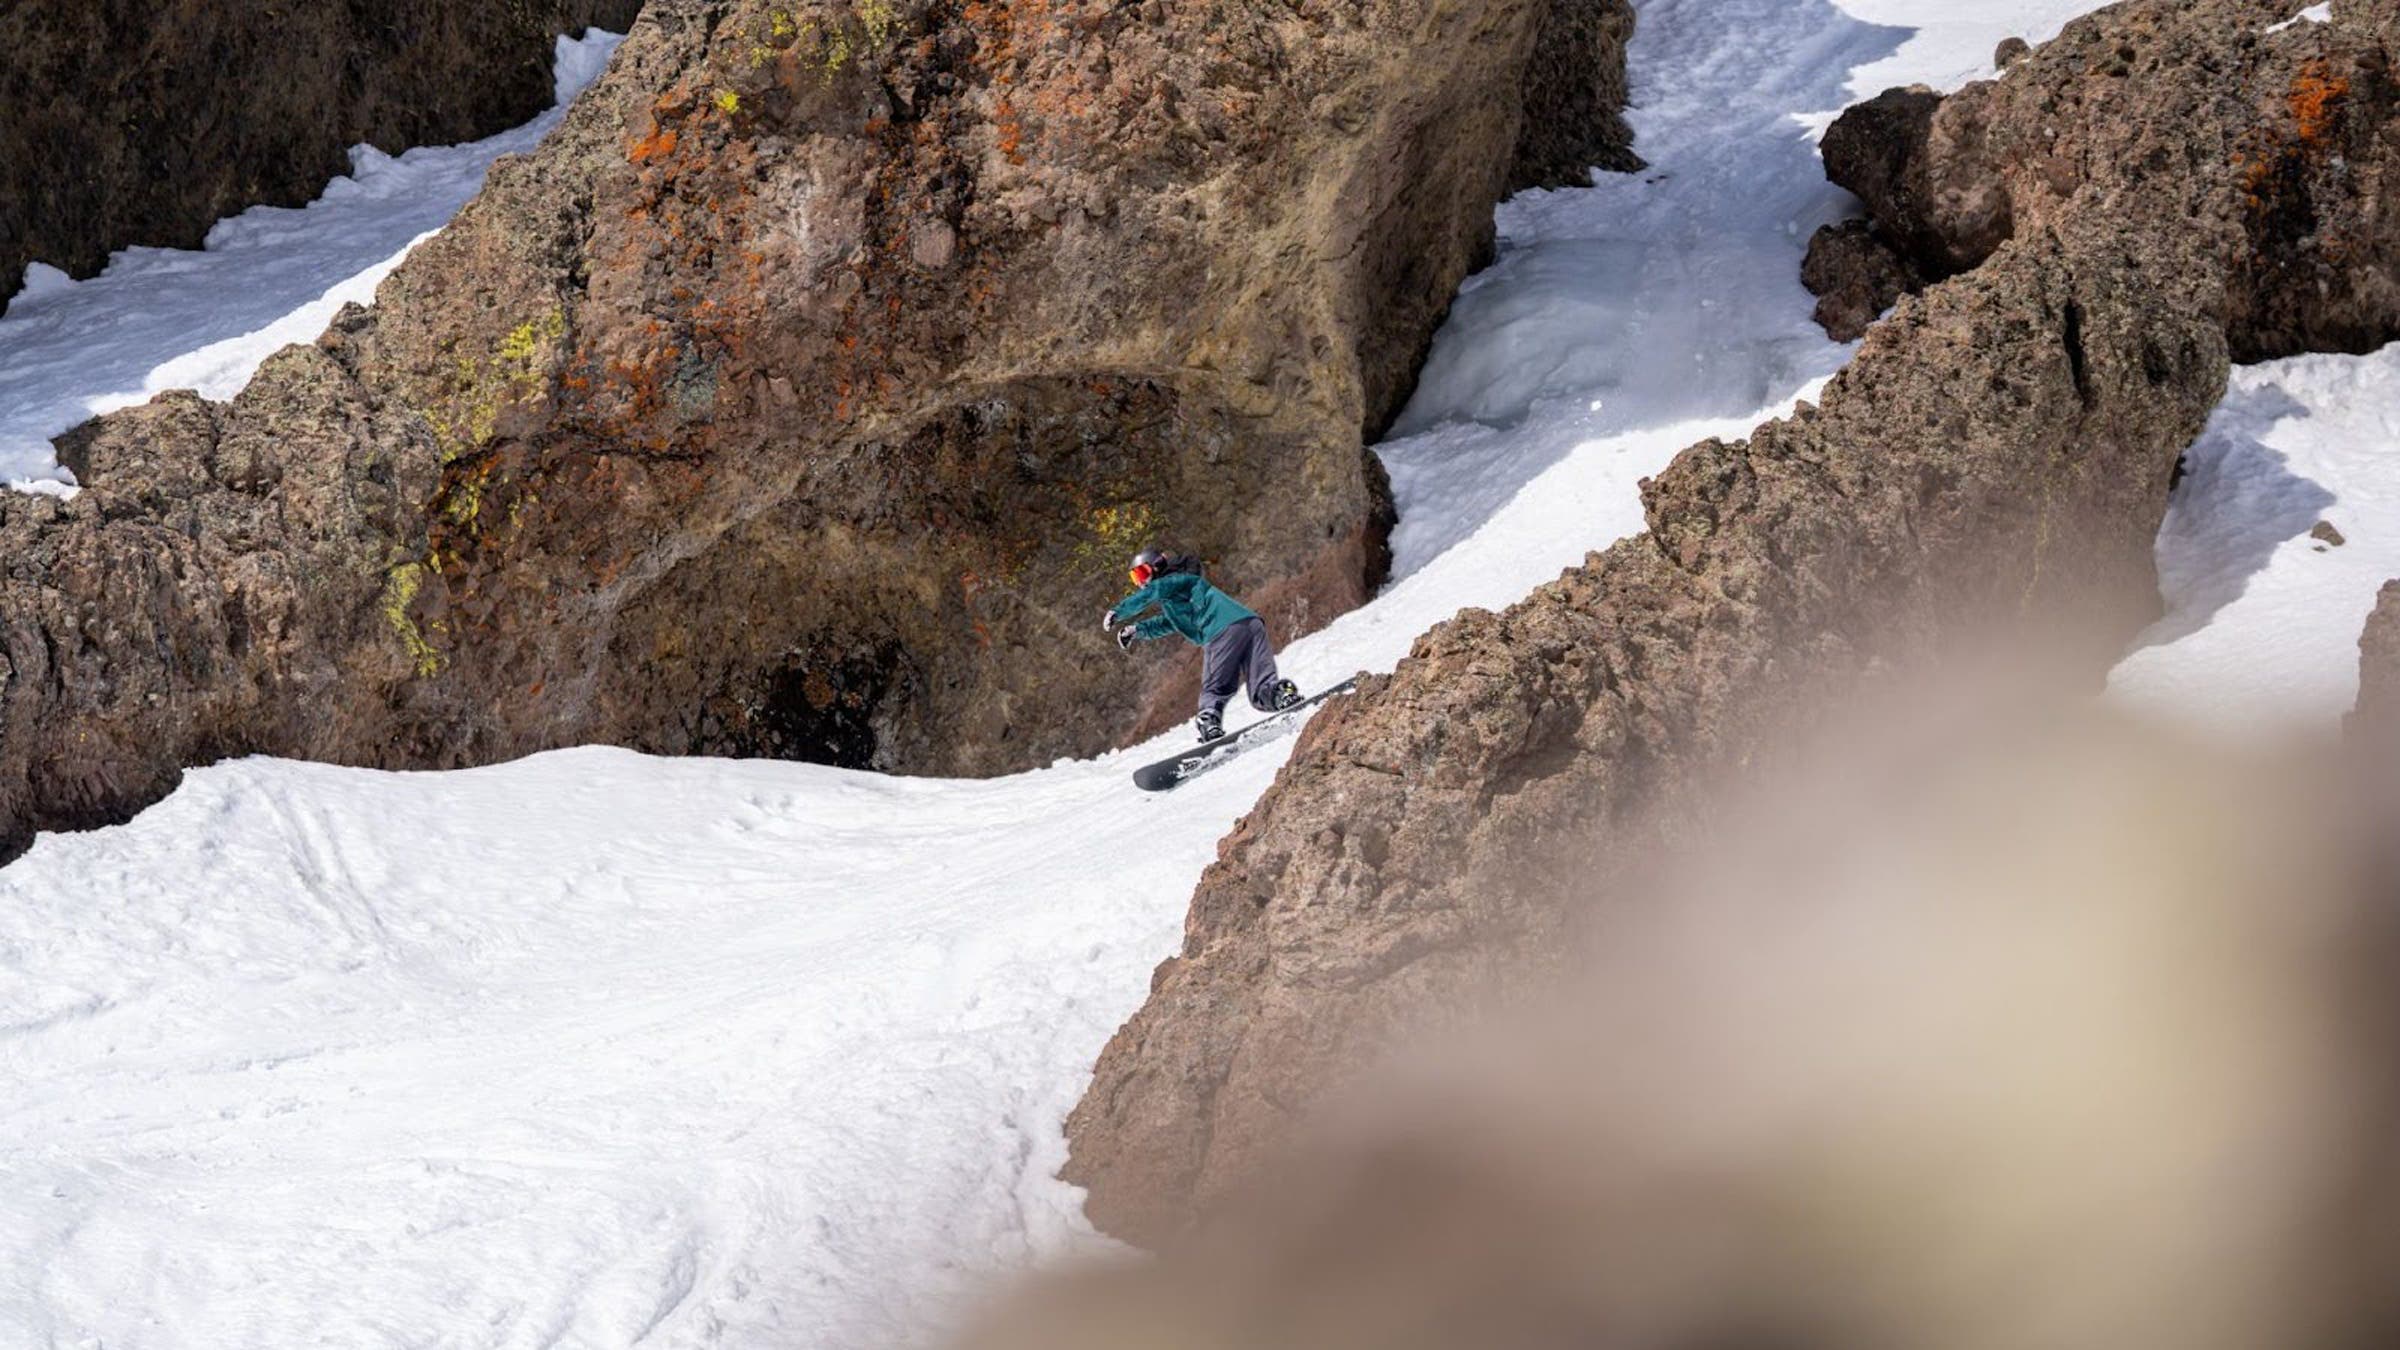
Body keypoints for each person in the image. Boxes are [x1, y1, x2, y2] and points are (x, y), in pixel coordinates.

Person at [1105, 548, 1302, 742]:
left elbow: (1151, 593)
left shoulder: (1175, 580)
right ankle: (1280, 694)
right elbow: (1168, 622)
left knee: (1214, 688)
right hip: (1250, 624)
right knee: (1260, 689)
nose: (1141, 583)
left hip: (1222, 629)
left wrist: (1118, 612)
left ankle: (1209, 722)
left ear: (1156, 567)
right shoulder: (1179, 595)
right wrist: (1137, 630)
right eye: (1135, 578)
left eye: (1142, 574)